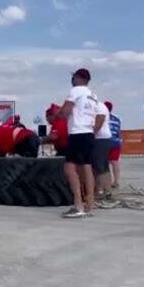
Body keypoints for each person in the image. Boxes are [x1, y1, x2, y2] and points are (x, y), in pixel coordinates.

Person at [57, 68, 98, 218]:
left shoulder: (76, 91)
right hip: (88, 132)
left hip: (77, 133)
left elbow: (65, 112)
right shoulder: (92, 95)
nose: (72, 80)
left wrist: (58, 114)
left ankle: (78, 205)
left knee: (69, 168)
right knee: (87, 168)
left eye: (73, 77)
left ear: (79, 78)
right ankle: (90, 204)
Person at [92, 100, 114, 206]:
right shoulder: (100, 107)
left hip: (100, 139)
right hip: (103, 138)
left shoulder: (99, 108)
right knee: (104, 166)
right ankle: (107, 190)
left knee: (98, 166)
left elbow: (98, 124)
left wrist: (89, 135)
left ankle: (101, 190)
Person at [104, 101, 122, 190]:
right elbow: (119, 131)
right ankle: (116, 181)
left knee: (105, 163)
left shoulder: (102, 117)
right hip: (116, 142)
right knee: (115, 162)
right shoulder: (117, 118)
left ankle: (108, 182)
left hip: (105, 142)